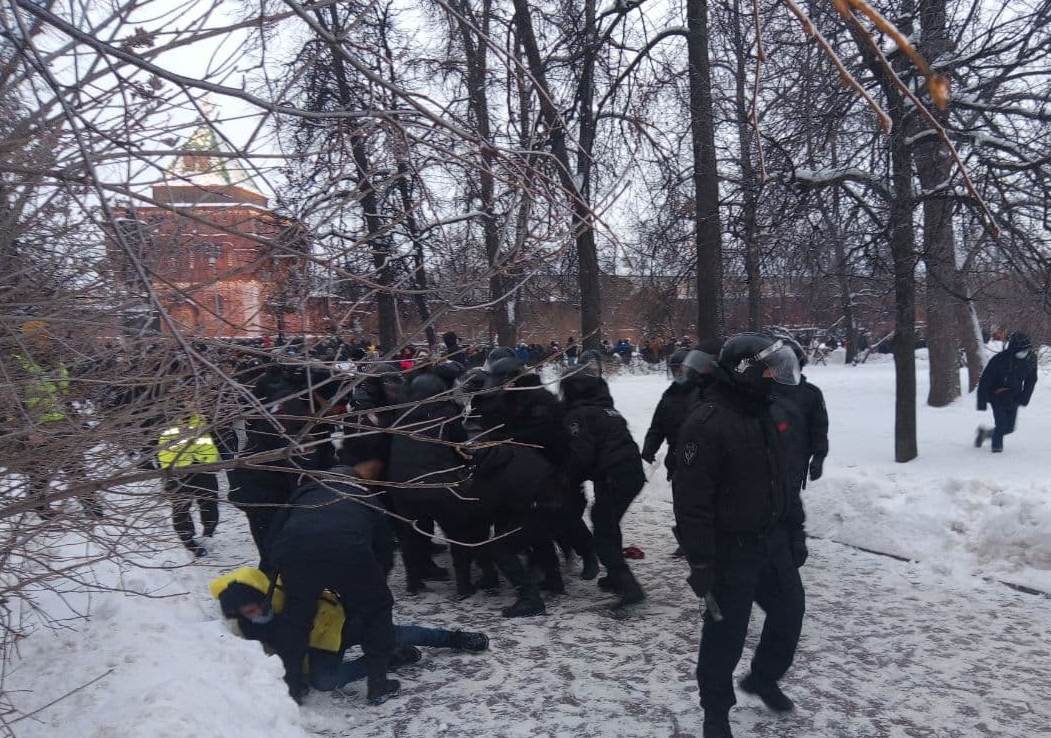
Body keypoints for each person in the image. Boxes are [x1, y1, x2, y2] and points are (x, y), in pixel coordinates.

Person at [672, 333, 805, 738]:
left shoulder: (766, 410)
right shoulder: (706, 422)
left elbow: (783, 480)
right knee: (724, 639)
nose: (776, 375)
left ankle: (763, 677)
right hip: (729, 552)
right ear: (747, 370)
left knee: (789, 614)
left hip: (773, 543)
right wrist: (700, 561)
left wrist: (795, 530)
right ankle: (716, 713)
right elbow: (691, 501)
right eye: (769, 367)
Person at [210, 567, 489, 695]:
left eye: (254, 608)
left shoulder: (291, 585)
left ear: (263, 596)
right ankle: (390, 660)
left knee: (397, 634)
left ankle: (452, 638)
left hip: (343, 622)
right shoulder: (250, 626)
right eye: (245, 614)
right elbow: (283, 650)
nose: (253, 615)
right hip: (319, 648)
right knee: (325, 682)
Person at [262, 468, 400, 705]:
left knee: (297, 617)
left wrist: (271, 572)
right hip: (350, 552)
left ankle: (293, 687)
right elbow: (385, 548)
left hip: (296, 553)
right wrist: (375, 587)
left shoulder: (301, 496)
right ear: (357, 482)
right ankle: (378, 685)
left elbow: (271, 538)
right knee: (377, 612)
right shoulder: (368, 500)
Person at [561, 351, 646, 608]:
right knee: (607, 522)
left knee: (603, 532)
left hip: (614, 476)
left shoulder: (579, 415)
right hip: (628, 473)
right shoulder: (605, 409)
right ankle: (614, 576)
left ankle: (629, 588)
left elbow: (581, 455)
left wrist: (566, 477)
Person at [156, 412, 220, 557]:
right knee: (181, 509)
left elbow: (208, 441)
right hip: (177, 471)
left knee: (210, 501)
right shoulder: (164, 419)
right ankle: (188, 541)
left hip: (203, 467)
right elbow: (159, 448)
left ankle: (208, 533)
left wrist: (211, 461)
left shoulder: (200, 419)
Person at [976, 332, 1038, 453]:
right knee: (1001, 425)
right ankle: (997, 449)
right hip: (996, 395)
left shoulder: (1030, 359)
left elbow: (1031, 380)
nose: (1024, 352)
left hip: (1014, 395)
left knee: (1009, 428)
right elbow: (985, 380)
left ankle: (985, 434)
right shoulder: (999, 360)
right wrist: (982, 401)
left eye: (1026, 349)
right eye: (1021, 350)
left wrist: (1025, 397)